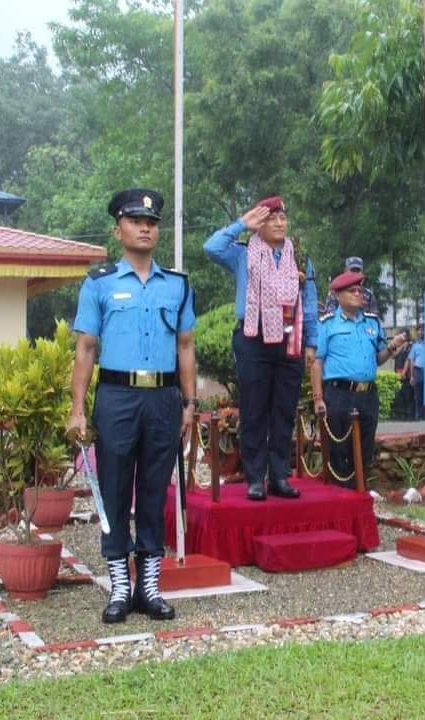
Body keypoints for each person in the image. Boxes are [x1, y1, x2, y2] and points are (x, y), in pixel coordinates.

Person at [68, 188, 196, 625]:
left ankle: (150, 586)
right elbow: (86, 348)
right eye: (136, 221)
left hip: (163, 398)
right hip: (117, 396)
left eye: (152, 222)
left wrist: (189, 402)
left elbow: (185, 345)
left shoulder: (177, 285)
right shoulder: (99, 283)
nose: (145, 228)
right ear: (117, 229)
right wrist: (77, 408)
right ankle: (120, 586)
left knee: (156, 490)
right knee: (116, 487)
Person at [204, 195, 317, 501]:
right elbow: (211, 247)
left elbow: (309, 301)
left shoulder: (299, 255)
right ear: (259, 223)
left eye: (282, 217)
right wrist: (242, 223)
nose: (279, 223)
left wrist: (312, 343)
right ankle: (255, 478)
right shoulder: (243, 253)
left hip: (289, 338)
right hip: (253, 337)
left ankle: (279, 476)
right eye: (270, 218)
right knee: (254, 410)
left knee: (284, 410)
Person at [311, 271, 407, 486]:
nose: (358, 294)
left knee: (365, 449)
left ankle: (360, 492)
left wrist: (392, 348)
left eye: (360, 290)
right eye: (352, 291)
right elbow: (317, 363)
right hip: (339, 394)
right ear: (338, 295)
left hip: (367, 395)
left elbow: (378, 358)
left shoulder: (371, 323)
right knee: (339, 449)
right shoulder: (327, 324)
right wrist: (318, 398)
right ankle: (341, 497)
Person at [403, 322, 425, 420]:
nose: (421, 332)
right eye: (419, 330)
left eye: (423, 330)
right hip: (417, 371)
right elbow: (411, 360)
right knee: (418, 395)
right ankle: (419, 416)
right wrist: (412, 376)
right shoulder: (415, 345)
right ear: (417, 332)